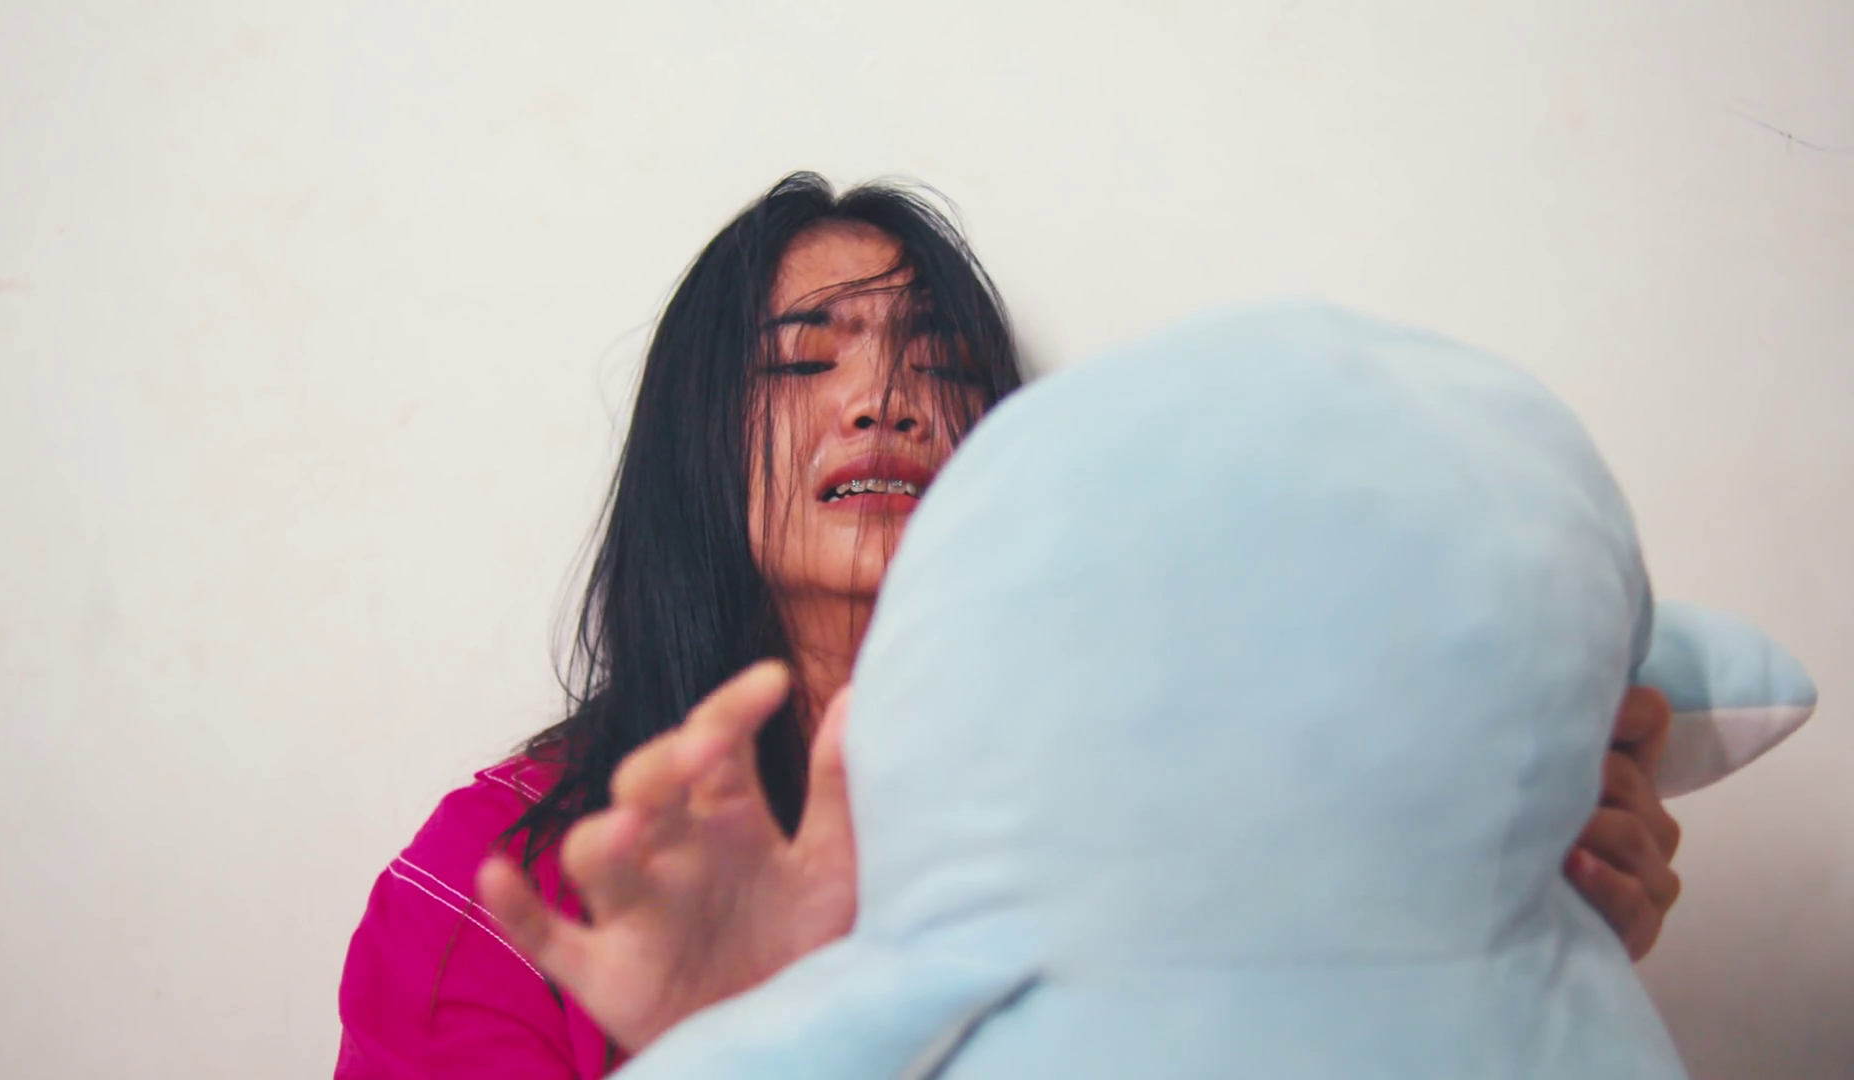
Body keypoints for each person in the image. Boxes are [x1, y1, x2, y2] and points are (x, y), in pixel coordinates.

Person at [336, 173, 1685, 1078]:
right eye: (804, 359)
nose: (886, 400)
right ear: (690, 445)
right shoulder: (502, 883)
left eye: (944, 363)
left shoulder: (1176, 812)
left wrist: (1508, 920)